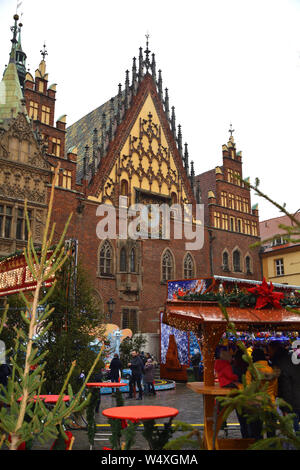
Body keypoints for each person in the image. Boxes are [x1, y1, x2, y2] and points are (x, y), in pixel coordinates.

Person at [245, 348, 278, 439]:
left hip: (256, 404)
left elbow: (248, 388)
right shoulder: (271, 370)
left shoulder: (251, 370)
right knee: (271, 435)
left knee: (256, 433)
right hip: (270, 403)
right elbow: (275, 390)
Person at [268, 340, 300, 432]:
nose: (268, 353)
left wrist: (285, 407)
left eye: (269, 350)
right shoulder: (291, 358)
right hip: (295, 398)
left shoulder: (279, 362)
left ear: (274, 349)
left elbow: (285, 386)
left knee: (292, 430)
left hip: (290, 402)